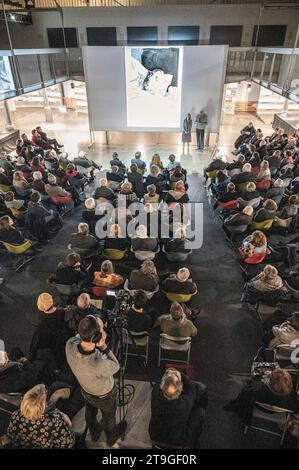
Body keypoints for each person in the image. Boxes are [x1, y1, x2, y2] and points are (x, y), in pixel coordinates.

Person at [66, 315, 125, 446]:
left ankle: (95, 431)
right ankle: (111, 438)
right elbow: (116, 365)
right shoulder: (98, 363)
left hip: (86, 390)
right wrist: (103, 346)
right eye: (102, 328)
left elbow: (80, 336)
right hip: (105, 395)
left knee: (90, 411)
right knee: (109, 417)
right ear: (97, 337)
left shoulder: (69, 345)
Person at [0, 384, 75, 449]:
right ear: (44, 405)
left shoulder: (16, 415)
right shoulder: (55, 420)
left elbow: (11, 435)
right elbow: (67, 443)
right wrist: (63, 417)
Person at [149, 369, 206, 448]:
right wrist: (180, 375)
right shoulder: (185, 403)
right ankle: (195, 441)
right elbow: (191, 388)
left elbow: (157, 384)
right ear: (180, 390)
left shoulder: (155, 397)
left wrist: (166, 373)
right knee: (200, 412)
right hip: (179, 441)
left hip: (156, 437)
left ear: (162, 388)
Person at [225, 369, 296, 426]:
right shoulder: (291, 401)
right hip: (278, 412)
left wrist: (261, 376)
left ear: (270, 380)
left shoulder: (256, 389)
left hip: (260, 407)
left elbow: (249, 386)